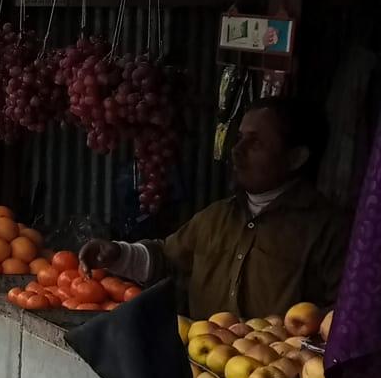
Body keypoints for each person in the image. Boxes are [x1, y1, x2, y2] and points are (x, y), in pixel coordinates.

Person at [79, 97, 349, 320]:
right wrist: (117, 254)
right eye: (240, 137)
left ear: (295, 158)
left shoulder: (327, 230)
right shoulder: (217, 216)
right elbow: (167, 257)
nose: (237, 150)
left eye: (255, 143)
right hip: (202, 371)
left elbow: (344, 316)